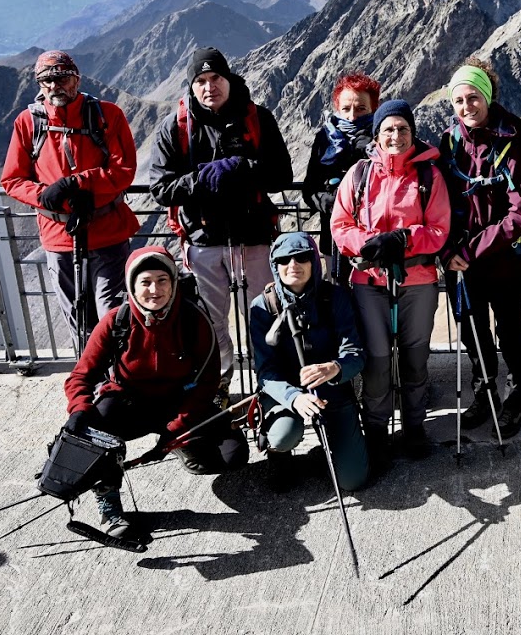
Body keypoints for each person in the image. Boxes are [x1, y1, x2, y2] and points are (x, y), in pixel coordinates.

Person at [62, 246, 249, 538]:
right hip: (129, 403)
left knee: (232, 455)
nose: (154, 290)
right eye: (146, 282)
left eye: (163, 281)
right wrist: (79, 409)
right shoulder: (116, 320)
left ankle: (183, 446)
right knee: (98, 424)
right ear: (132, 286)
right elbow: (81, 375)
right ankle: (109, 505)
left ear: (174, 283)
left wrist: (176, 428)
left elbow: (208, 382)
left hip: (180, 403)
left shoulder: (193, 320)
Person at [149, 47, 293, 387]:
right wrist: (200, 179)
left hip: (254, 238)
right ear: (191, 86)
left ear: (228, 79)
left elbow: (281, 175)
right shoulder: (176, 128)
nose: (209, 86)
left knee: (265, 318)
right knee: (211, 323)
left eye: (215, 78)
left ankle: (272, 387)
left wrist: (242, 168)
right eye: (200, 80)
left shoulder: (258, 118)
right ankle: (218, 386)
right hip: (204, 243)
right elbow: (161, 188)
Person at [331, 99, 452, 473]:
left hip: (417, 281)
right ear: (377, 134)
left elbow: (439, 229)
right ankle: (378, 431)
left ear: (412, 132)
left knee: (415, 358)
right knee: (378, 360)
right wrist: (369, 244)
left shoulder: (429, 176)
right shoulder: (359, 175)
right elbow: (340, 225)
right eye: (388, 130)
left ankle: (414, 426)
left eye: (402, 129)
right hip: (369, 281)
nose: (396, 136)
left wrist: (402, 239)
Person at [0, 50, 140, 349]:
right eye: (46, 80)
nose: (54, 86)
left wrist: (76, 182)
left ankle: (118, 382)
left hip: (108, 233)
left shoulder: (107, 115)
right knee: (78, 319)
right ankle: (91, 384)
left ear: (76, 79)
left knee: (113, 315)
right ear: (38, 84)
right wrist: (46, 196)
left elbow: (123, 171)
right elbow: (12, 180)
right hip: (59, 238)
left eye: (61, 78)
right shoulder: (28, 123)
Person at [438, 58, 521, 437]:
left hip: (503, 258)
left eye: (474, 97)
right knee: (472, 329)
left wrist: (468, 251)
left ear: (488, 95)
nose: (467, 107)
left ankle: (516, 400)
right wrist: (448, 249)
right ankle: (485, 393)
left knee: (510, 329)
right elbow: (438, 202)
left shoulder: (516, 138)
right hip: (460, 261)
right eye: (459, 101)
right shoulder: (449, 143)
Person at [249, 232, 367, 493]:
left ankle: (330, 449)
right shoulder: (263, 306)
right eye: (284, 260)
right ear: (274, 265)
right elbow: (265, 372)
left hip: (332, 390)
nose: (293, 265)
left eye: (302, 257)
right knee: (282, 436)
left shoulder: (336, 297)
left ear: (314, 261)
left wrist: (335, 368)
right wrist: (294, 398)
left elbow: (356, 353)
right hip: (286, 394)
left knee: (353, 481)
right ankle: (280, 455)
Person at [302, 72, 380, 274]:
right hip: (334, 239)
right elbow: (310, 189)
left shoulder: (383, 138)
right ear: (337, 108)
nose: (352, 116)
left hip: (373, 239)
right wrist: (329, 202)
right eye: (345, 108)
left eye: (361, 109)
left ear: (374, 108)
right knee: (340, 298)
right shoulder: (325, 139)